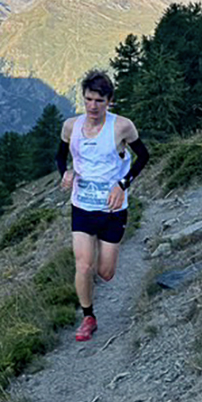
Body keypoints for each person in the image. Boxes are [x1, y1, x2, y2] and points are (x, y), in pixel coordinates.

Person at [57, 71, 149, 341]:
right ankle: (88, 317)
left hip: (112, 209)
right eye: (88, 99)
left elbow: (143, 156)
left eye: (99, 100)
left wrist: (123, 184)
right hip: (83, 206)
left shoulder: (122, 127)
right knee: (83, 265)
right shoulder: (71, 126)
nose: (92, 106)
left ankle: (97, 251)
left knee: (105, 272)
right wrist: (65, 173)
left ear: (110, 101)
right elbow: (59, 156)